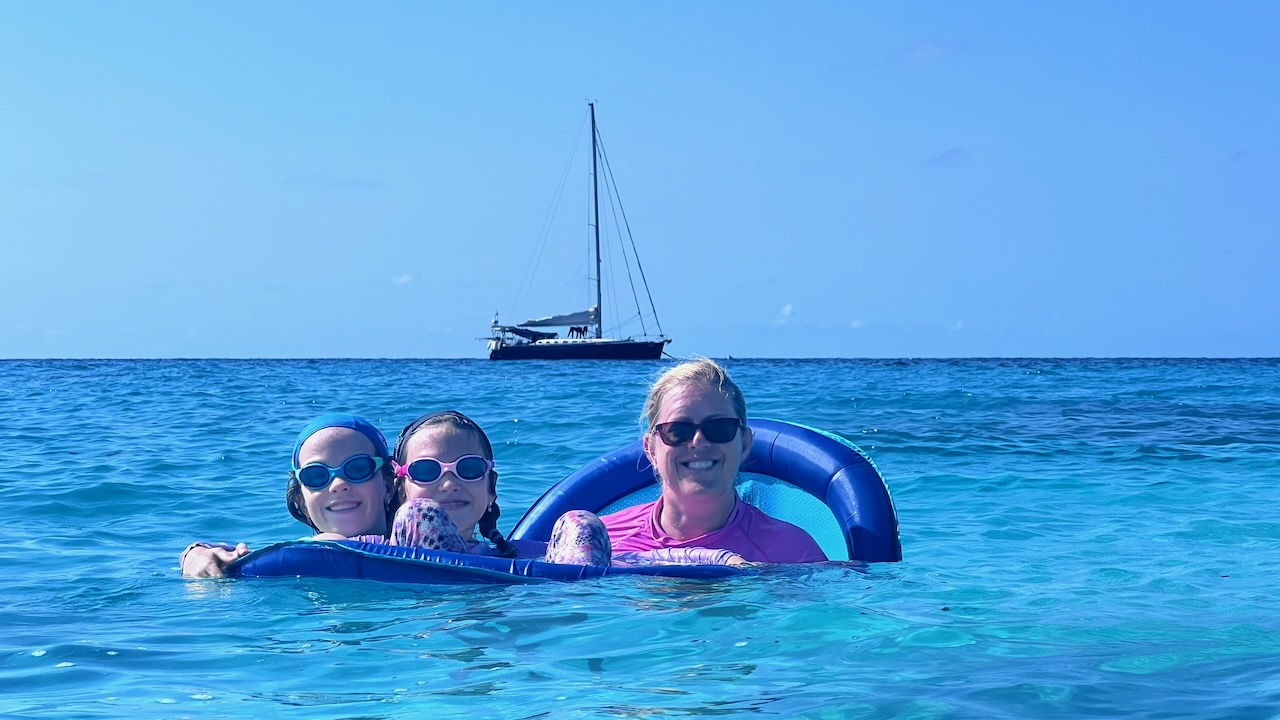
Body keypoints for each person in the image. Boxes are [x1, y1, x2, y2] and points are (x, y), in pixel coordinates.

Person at [588, 357, 827, 563]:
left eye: (719, 428)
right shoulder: (601, 541)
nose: (699, 442)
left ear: (744, 444)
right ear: (651, 450)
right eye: (678, 430)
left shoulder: (792, 552)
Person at [180, 413, 396, 577]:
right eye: (316, 475)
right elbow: (214, 552)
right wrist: (195, 556)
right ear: (301, 500)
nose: (338, 484)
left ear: (388, 485)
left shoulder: (422, 546)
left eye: (358, 468)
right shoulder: (288, 558)